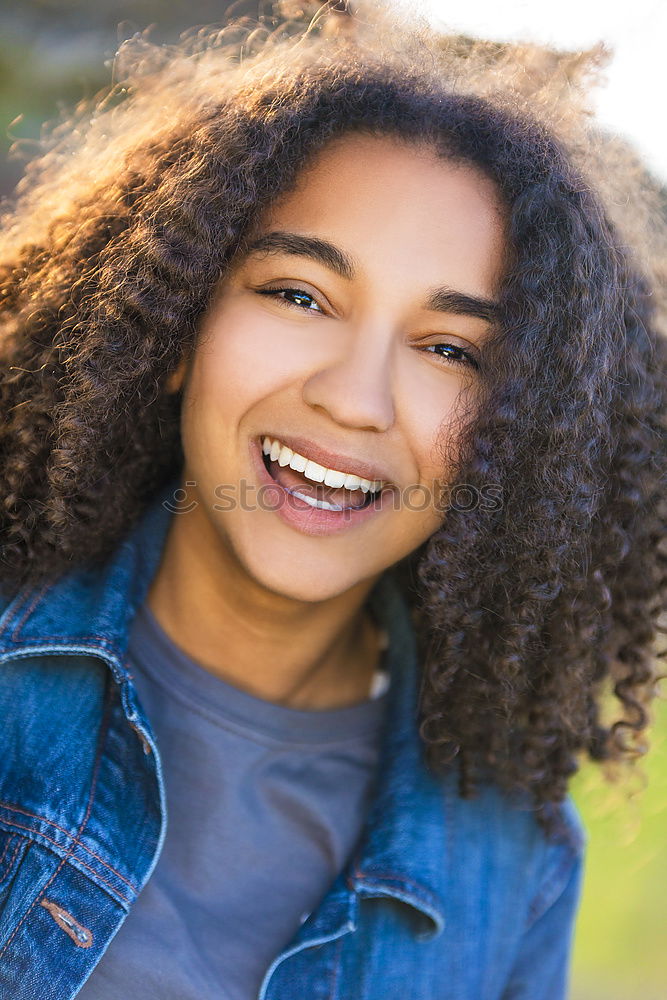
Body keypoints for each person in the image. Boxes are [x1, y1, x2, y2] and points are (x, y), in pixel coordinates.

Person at [0, 4, 665, 998]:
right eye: (299, 295)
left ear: (515, 440)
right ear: (177, 321)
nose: (353, 399)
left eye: (450, 350)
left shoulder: (510, 864)